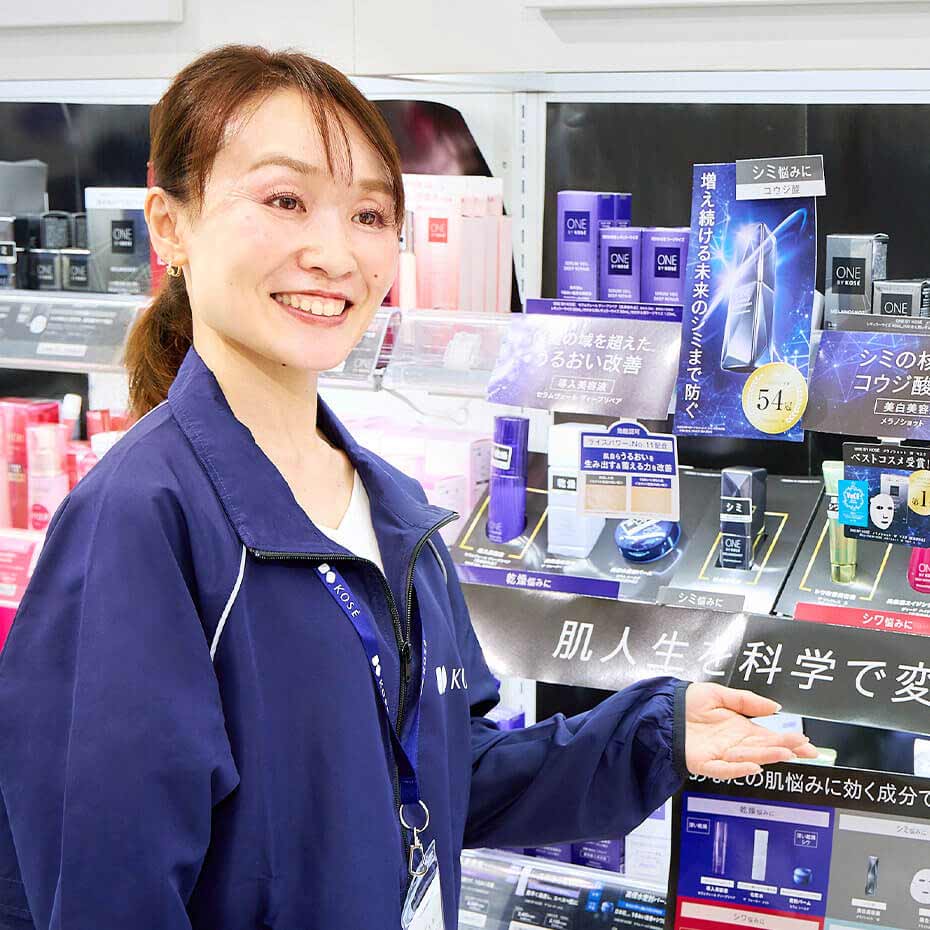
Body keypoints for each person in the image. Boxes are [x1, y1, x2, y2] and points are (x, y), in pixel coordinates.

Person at [0, 45, 815, 930]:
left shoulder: (391, 511)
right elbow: (108, 890)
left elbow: (443, 778)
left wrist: (653, 734)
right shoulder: (139, 522)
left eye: (368, 214)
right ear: (170, 227)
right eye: (284, 200)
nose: (334, 254)